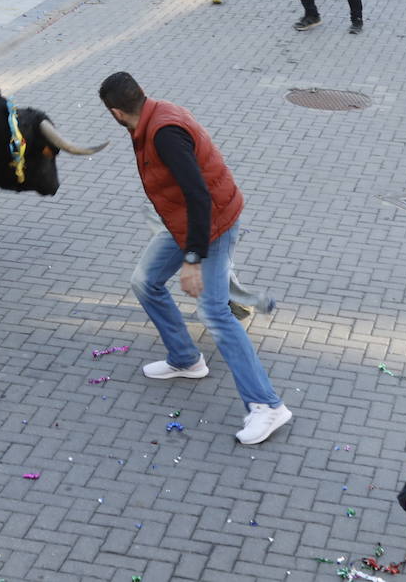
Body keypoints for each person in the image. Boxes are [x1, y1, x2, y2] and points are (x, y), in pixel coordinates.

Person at [96, 71, 294, 446]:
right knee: (145, 281)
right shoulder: (155, 115)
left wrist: (192, 260)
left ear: (116, 112)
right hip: (183, 222)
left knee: (215, 312)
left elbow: (200, 197)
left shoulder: (163, 133)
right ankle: (186, 359)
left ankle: (268, 406)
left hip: (211, 224)